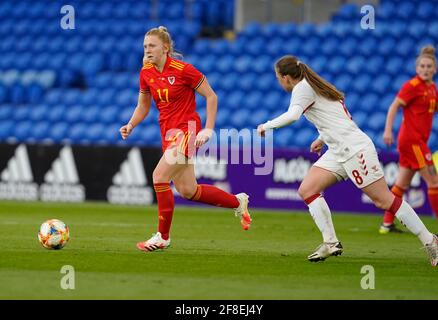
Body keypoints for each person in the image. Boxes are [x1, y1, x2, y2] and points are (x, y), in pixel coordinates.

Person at [256, 55, 438, 266]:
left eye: (278, 77)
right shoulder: (314, 85)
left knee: (384, 200)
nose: (279, 81)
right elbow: (337, 117)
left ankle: (430, 240)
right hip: (337, 150)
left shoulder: (302, 88)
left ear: (286, 77)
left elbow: (293, 115)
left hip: (354, 149)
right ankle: (330, 242)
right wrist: (322, 138)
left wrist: (266, 126)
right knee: (307, 190)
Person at [120, 26, 251, 252]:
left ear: (165, 47)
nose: (147, 50)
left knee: (159, 177)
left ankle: (163, 236)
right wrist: (131, 124)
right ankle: (237, 202)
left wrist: (208, 129)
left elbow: (211, 96)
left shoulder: (184, 70)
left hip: (187, 130)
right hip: (168, 134)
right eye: (145, 46)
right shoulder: (146, 72)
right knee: (189, 190)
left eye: (152, 45)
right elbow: (143, 105)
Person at [380, 45, 438, 234]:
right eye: (422, 66)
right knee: (434, 182)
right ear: (416, 68)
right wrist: (388, 131)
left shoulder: (432, 89)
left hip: (417, 141)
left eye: (429, 66)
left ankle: (386, 224)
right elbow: (394, 107)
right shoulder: (412, 86)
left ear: (435, 69)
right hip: (412, 141)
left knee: (402, 184)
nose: (425, 69)